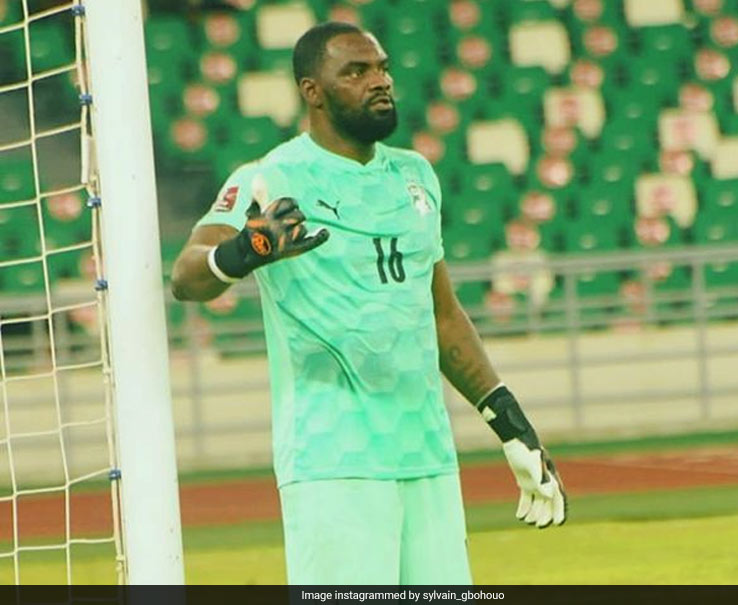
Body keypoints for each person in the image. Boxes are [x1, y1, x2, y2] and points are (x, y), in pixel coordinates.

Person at [171, 21, 566, 586]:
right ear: (313, 91)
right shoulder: (271, 176)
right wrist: (250, 248)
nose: (378, 82)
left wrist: (510, 424)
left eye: (381, 68)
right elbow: (187, 276)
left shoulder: (416, 176)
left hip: (425, 453)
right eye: (355, 72)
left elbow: (441, 314)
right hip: (334, 462)